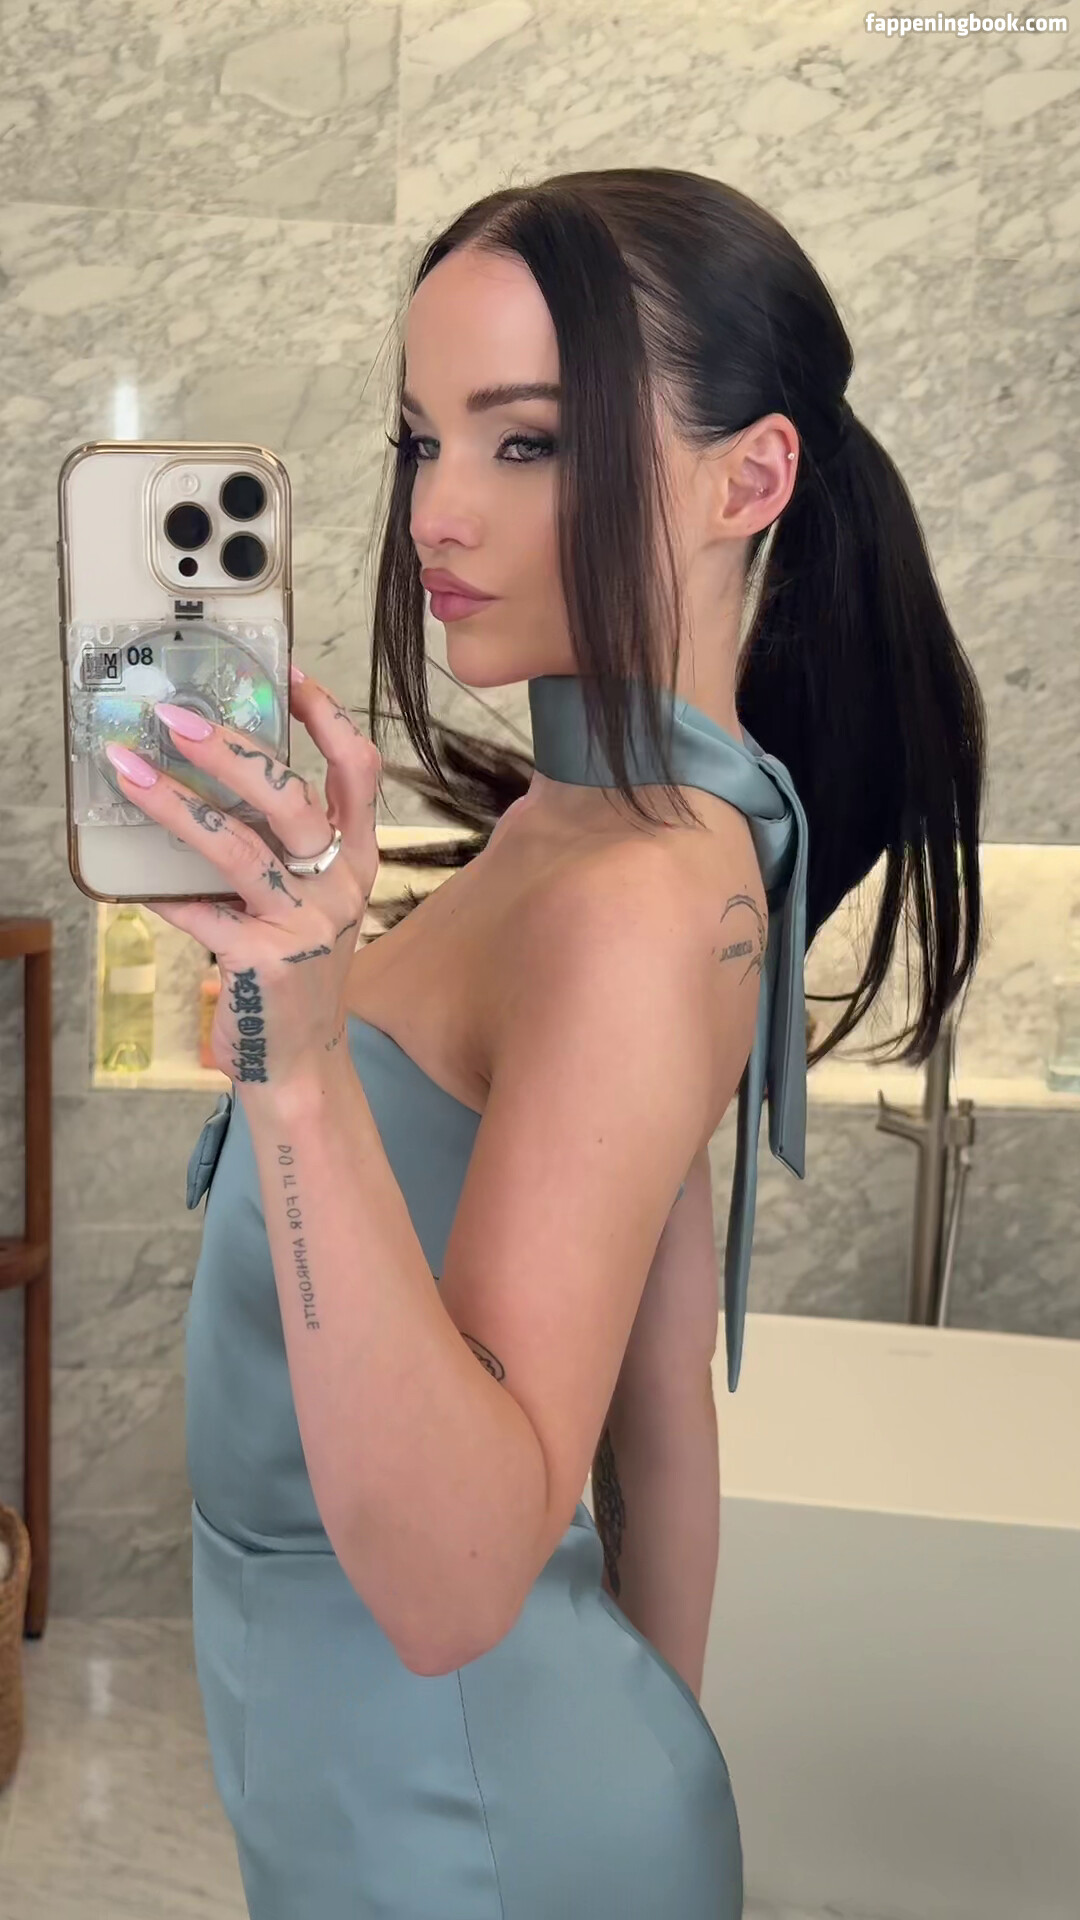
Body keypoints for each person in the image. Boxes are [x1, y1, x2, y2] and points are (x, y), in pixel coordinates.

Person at [183, 168, 986, 1918]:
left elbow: (450, 1594)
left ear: (746, 481)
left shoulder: (641, 892)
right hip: (460, 1810)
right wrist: (644, 1765)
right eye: (423, 441)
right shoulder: (576, 829)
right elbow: (660, 1403)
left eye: (527, 442)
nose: (437, 512)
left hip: (461, 1834)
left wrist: (300, 1071)